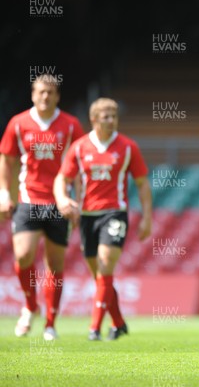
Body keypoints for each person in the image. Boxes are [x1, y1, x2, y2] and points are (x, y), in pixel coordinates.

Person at [53, 98, 152, 340]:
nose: (111, 120)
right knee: (100, 276)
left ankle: (94, 328)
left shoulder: (128, 147)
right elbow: (61, 179)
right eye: (105, 116)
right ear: (94, 119)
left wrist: (147, 217)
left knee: (106, 263)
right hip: (87, 216)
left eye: (114, 116)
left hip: (115, 213)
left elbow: (142, 183)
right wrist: (62, 200)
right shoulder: (79, 147)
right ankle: (118, 322)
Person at [0, 74, 85, 340]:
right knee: (23, 256)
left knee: (55, 266)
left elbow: (83, 165)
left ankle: (50, 323)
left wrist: (79, 201)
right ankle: (30, 305)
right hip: (28, 199)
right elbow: (7, 160)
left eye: (50, 92)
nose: (45, 96)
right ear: (33, 94)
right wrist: (4, 193)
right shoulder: (18, 123)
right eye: (40, 92)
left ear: (57, 96)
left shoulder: (70, 125)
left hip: (59, 204)